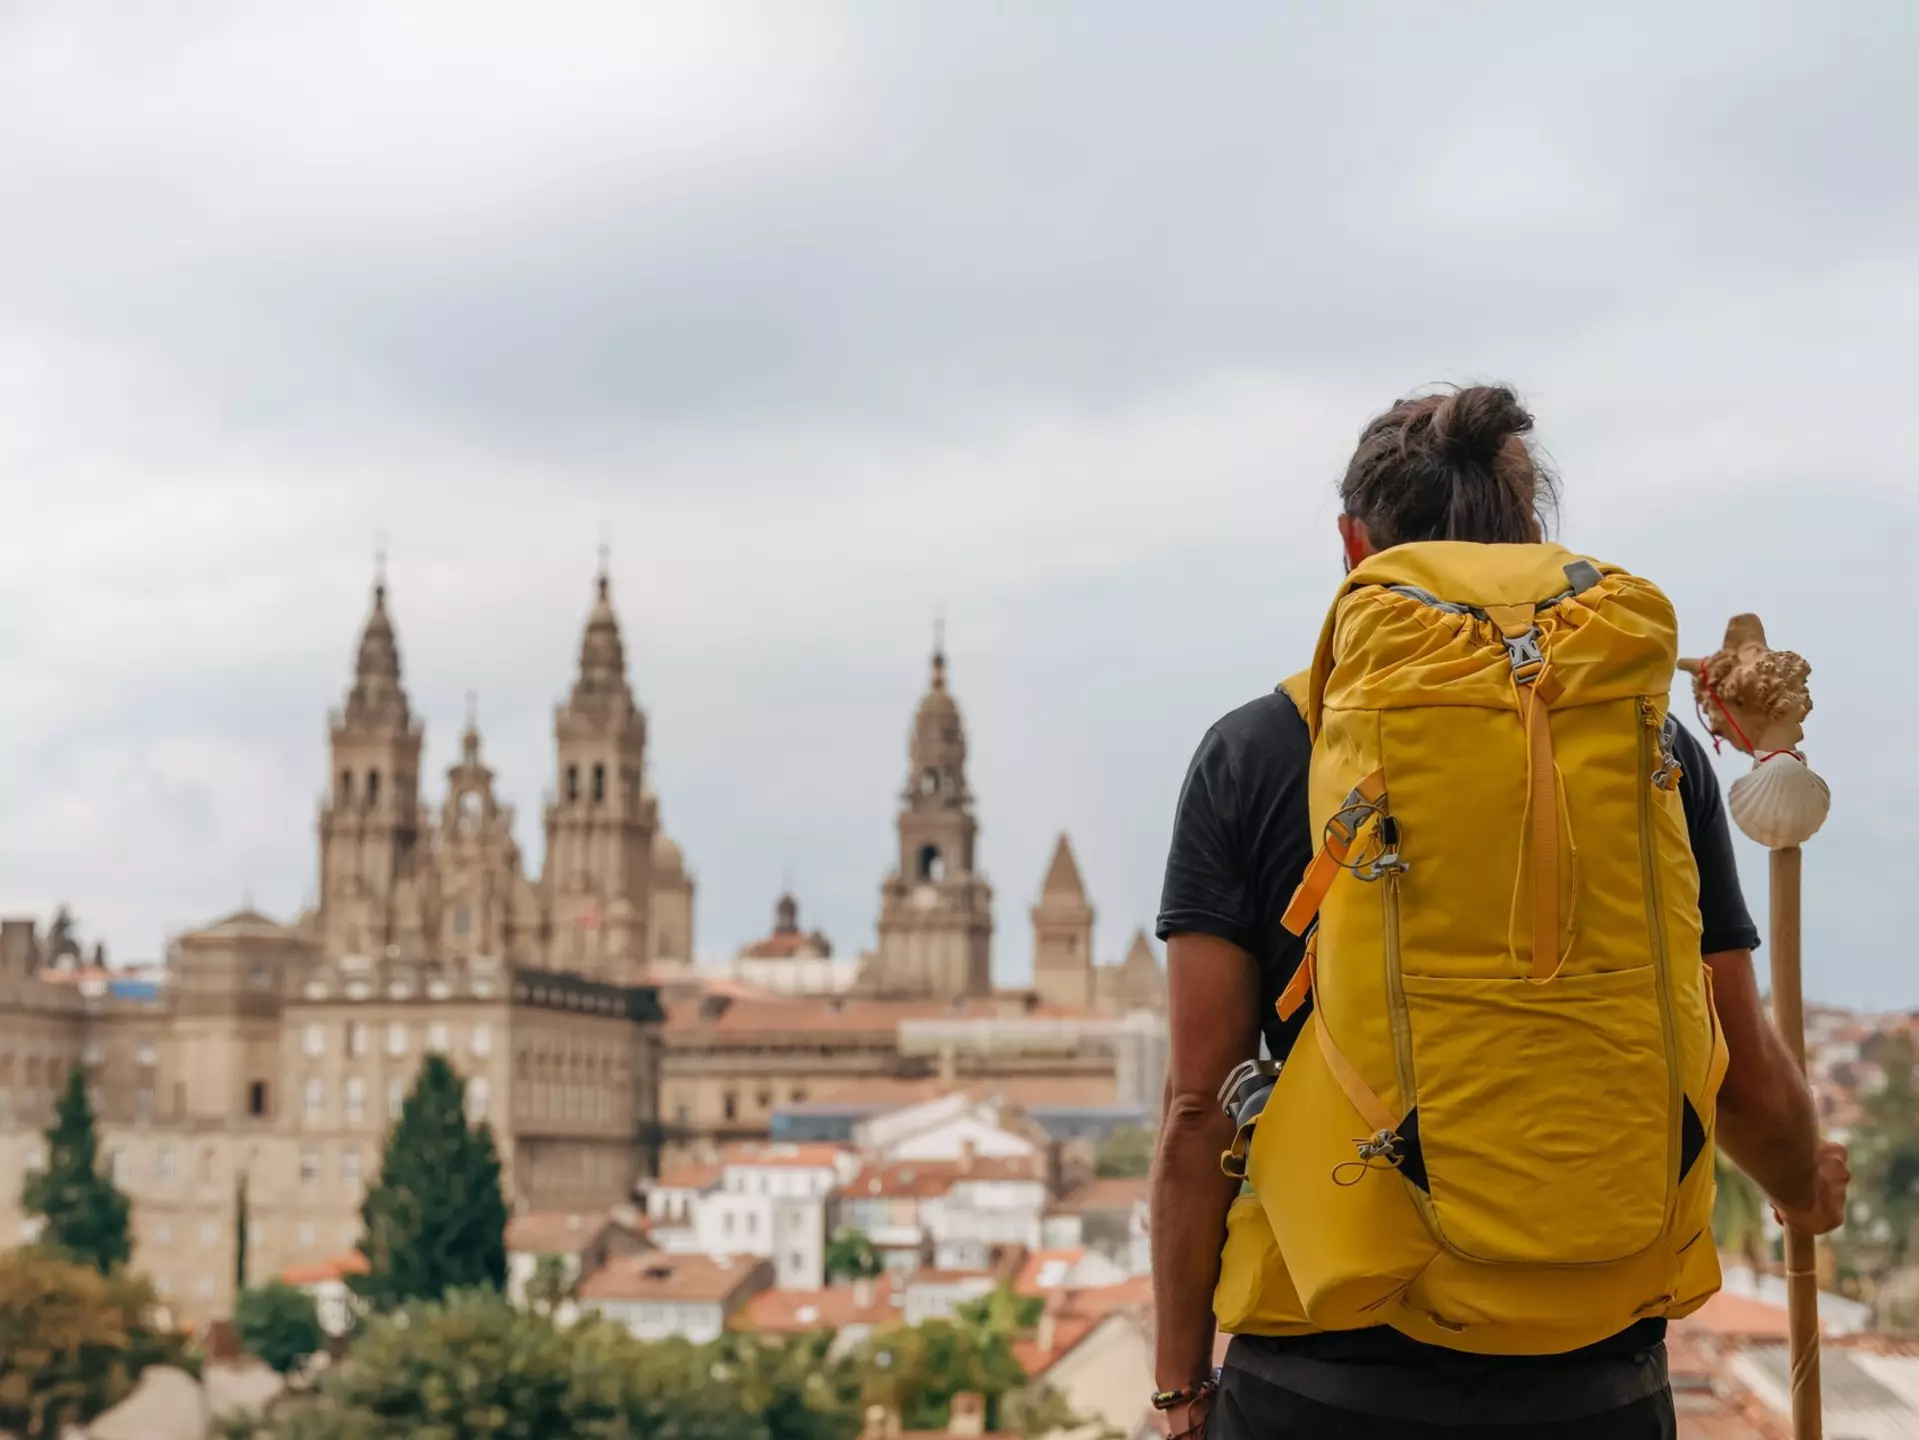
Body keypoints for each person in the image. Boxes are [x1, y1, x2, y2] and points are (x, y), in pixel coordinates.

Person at [1149, 384, 1851, 1439]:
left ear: (1354, 547)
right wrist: (1804, 1182)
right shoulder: (1645, 747)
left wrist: (1179, 1387)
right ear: (1532, 537)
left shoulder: (1254, 752)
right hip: (1593, 1380)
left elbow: (1197, 1112)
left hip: (1324, 1380)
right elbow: (1736, 1069)